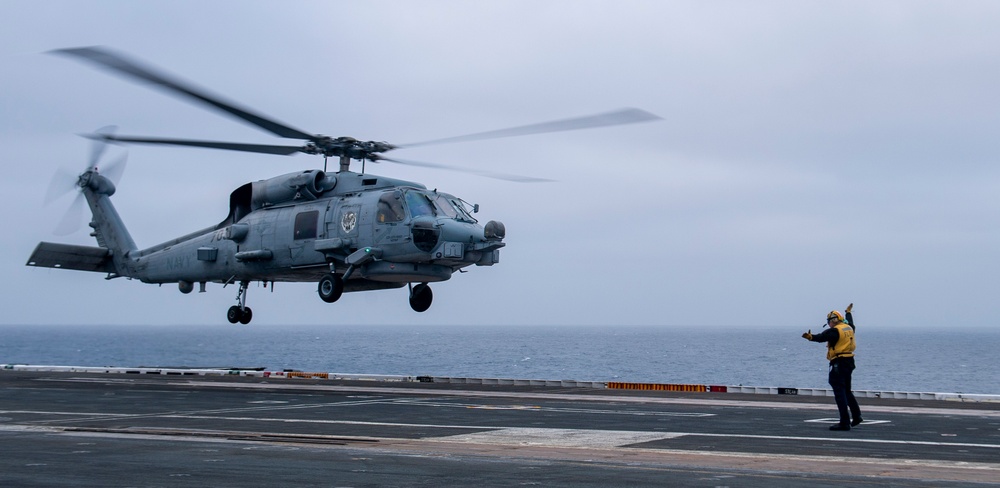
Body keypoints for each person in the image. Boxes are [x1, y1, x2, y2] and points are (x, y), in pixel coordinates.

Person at [802, 303, 863, 431]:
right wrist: (848, 312)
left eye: (829, 321)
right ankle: (857, 416)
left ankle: (844, 422)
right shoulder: (849, 328)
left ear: (833, 320)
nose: (829, 324)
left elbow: (822, 337)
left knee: (839, 391)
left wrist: (810, 337)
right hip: (850, 361)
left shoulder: (835, 331)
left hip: (838, 362)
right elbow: (851, 322)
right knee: (847, 390)